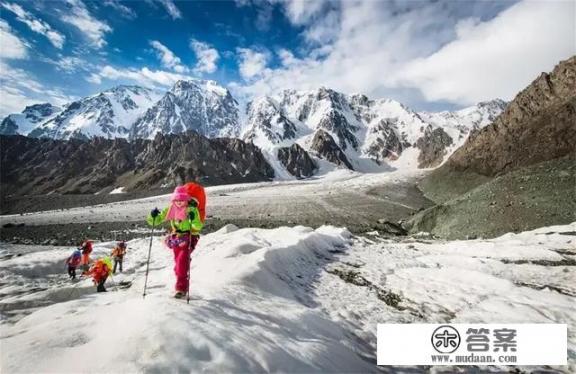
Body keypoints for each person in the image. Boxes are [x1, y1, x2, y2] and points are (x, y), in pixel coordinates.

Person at [147, 185, 205, 299]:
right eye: (177, 200)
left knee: (181, 262)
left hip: (188, 238)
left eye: (182, 200)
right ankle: (181, 272)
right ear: (174, 200)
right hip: (176, 238)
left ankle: (181, 289)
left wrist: (192, 219)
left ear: (186, 199)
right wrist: (153, 216)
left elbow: (197, 227)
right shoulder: (171, 208)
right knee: (178, 262)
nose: (179, 202)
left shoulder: (191, 210)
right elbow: (155, 221)